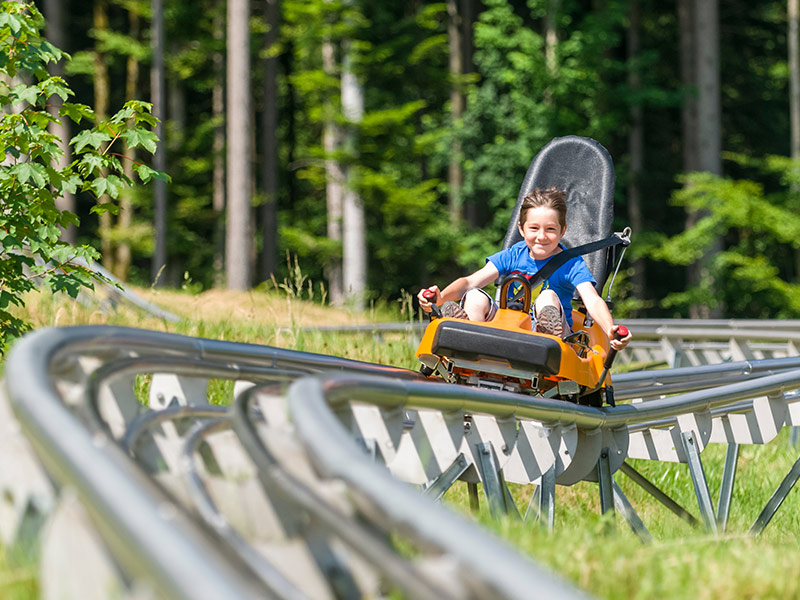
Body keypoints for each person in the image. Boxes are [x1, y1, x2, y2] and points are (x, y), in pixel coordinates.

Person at [417, 187, 632, 351]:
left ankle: (546, 335)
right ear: (521, 229)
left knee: (547, 296)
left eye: (550, 229)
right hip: (505, 327)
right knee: (474, 296)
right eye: (534, 228)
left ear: (562, 231)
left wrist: (610, 329)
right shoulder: (514, 255)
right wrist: (441, 297)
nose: (541, 236)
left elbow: (592, 299)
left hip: (552, 339)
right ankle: (470, 343)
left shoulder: (572, 263)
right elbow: (470, 282)